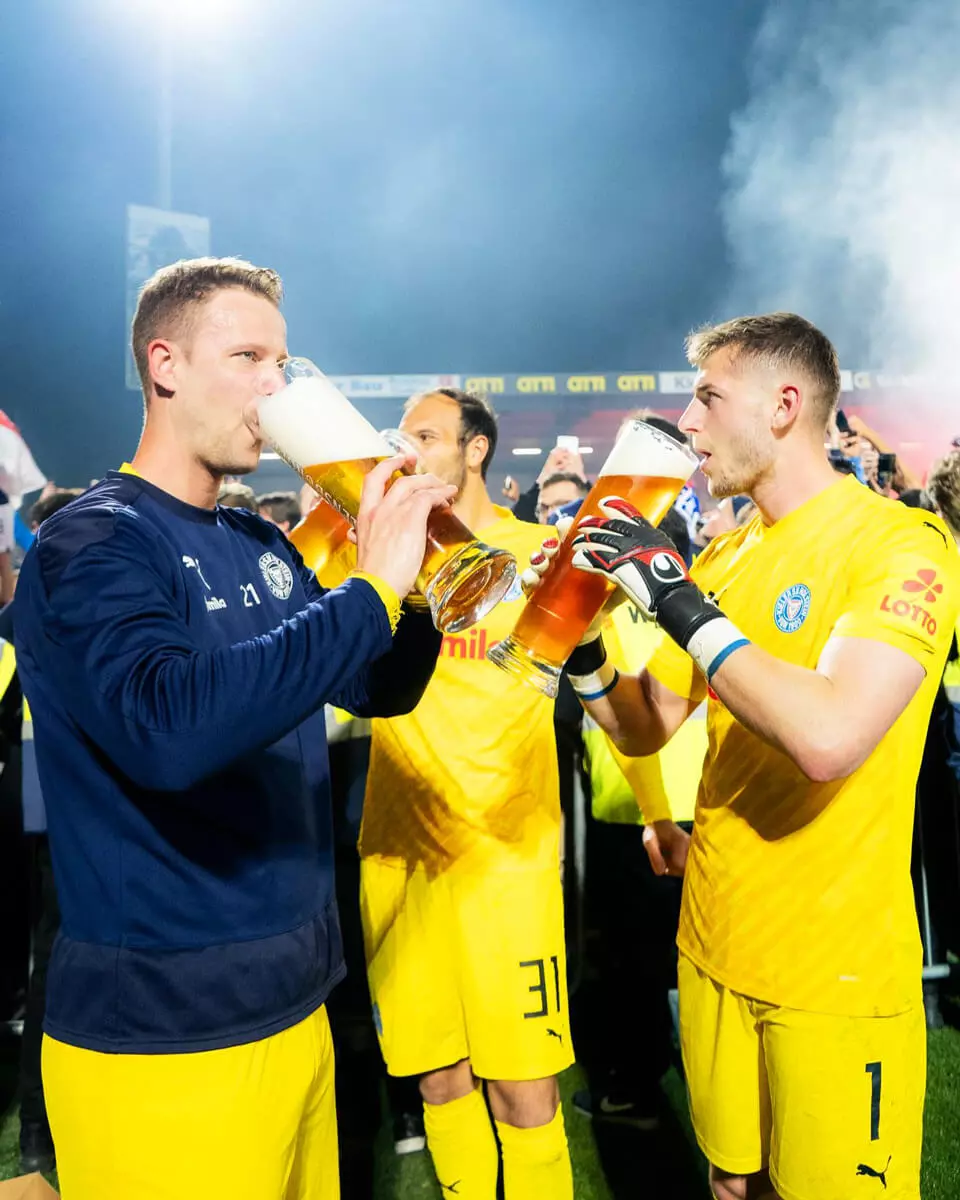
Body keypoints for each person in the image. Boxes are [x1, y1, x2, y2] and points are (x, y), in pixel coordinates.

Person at [13, 256, 456, 1200]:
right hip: (167, 1028)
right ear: (163, 364)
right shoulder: (93, 541)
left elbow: (382, 683)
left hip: (297, 1001)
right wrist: (370, 587)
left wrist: (413, 583)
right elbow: (167, 728)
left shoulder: (257, 540)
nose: (275, 385)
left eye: (282, 362)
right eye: (249, 355)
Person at [525, 312, 960, 1200]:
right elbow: (647, 725)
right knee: (734, 1188)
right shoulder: (728, 552)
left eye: (708, 397)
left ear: (784, 406)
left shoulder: (901, 544)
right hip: (715, 942)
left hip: (831, 972)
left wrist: (679, 598)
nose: (687, 421)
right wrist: (583, 647)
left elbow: (829, 737)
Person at [359, 387, 575, 1199]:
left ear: (474, 449)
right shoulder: (378, 555)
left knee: (524, 1089)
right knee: (438, 1080)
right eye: (402, 435)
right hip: (398, 850)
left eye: (425, 434)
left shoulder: (538, 554)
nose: (407, 448)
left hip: (505, 857)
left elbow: (594, 685)